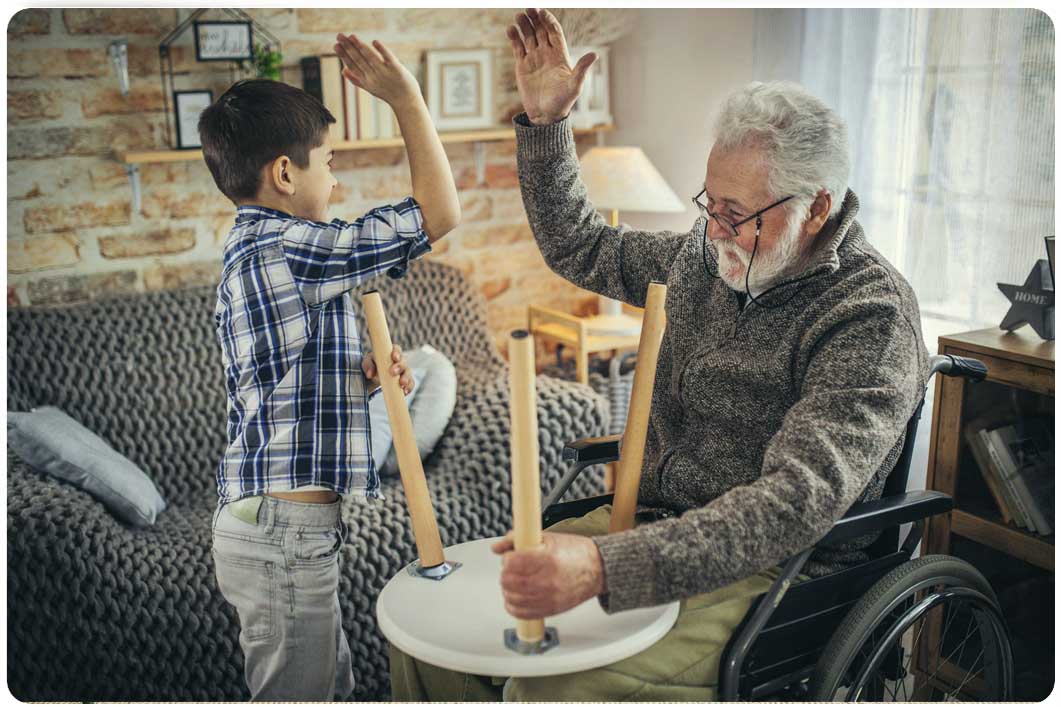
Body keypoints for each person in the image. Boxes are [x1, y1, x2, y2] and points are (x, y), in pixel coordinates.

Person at [389, 8, 928, 701]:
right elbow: (582, 246)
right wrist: (549, 125)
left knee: (547, 690)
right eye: (710, 203)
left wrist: (603, 567)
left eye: (737, 214)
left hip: (773, 571)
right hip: (651, 526)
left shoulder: (869, 316)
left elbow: (794, 501)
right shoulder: (708, 257)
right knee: (438, 641)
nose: (714, 230)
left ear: (816, 208)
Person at [199, 31, 460, 701]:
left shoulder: (253, 248)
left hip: (277, 527)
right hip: (283, 533)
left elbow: (281, 379)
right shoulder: (289, 246)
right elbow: (439, 214)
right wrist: (407, 100)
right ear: (285, 174)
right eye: (330, 164)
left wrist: (361, 375)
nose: (337, 181)